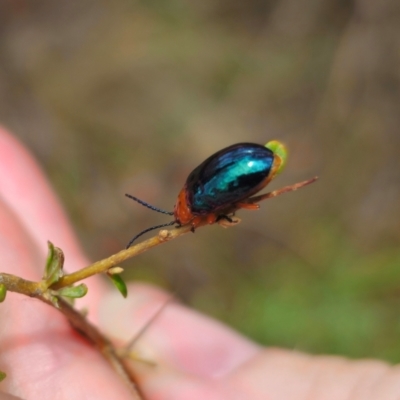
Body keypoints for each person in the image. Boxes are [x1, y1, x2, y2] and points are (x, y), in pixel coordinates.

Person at [0, 126, 398, 400]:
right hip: (249, 161)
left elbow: (226, 188)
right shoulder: (193, 194)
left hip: (252, 163)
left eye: (181, 219)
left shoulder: (200, 200)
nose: (180, 224)